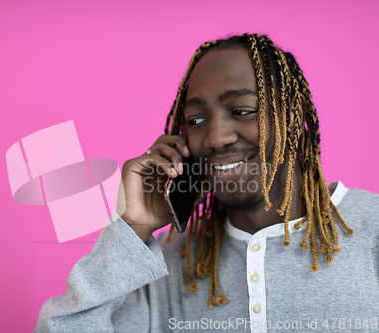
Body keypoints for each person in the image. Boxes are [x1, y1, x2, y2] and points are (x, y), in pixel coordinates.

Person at [34, 34, 379, 333]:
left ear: (291, 115)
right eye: (196, 120)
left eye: (241, 110)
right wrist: (131, 230)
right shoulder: (165, 266)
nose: (215, 138)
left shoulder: (371, 228)